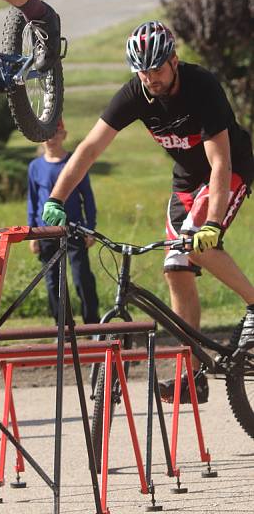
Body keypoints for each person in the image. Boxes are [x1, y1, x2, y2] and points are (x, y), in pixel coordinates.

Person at [42, 21, 254, 403]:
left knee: (197, 247)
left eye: (156, 69)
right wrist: (56, 199)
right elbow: (90, 148)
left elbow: (220, 163)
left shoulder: (202, 87)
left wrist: (212, 224)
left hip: (229, 171)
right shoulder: (135, 93)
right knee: (175, 270)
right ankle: (193, 377)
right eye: (142, 71)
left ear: (174, 60)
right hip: (186, 183)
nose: (150, 78)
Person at [28, 119, 100, 323]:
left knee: (82, 278)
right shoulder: (34, 167)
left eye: (55, 133)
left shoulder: (73, 164)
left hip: (74, 229)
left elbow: (88, 197)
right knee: (53, 281)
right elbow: (32, 202)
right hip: (46, 232)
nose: (51, 139)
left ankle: (92, 324)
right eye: (46, 135)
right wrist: (32, 234)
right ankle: (63, 327)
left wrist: (90, 228)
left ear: (63, 135)